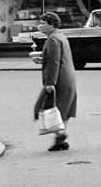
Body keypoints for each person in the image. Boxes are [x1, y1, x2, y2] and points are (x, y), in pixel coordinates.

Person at [33, 12, 77, 151]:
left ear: (51, 25)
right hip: (67, 77)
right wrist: (42, 59)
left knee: (53, 107)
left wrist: (50, 83)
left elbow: (54, 61)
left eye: (42, 23)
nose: (40, 25)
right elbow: (57, 57)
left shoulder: (52, 39)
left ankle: (61, 137)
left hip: (59, 79)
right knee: (62, 109)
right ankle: (60, 138)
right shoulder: (60, 36)